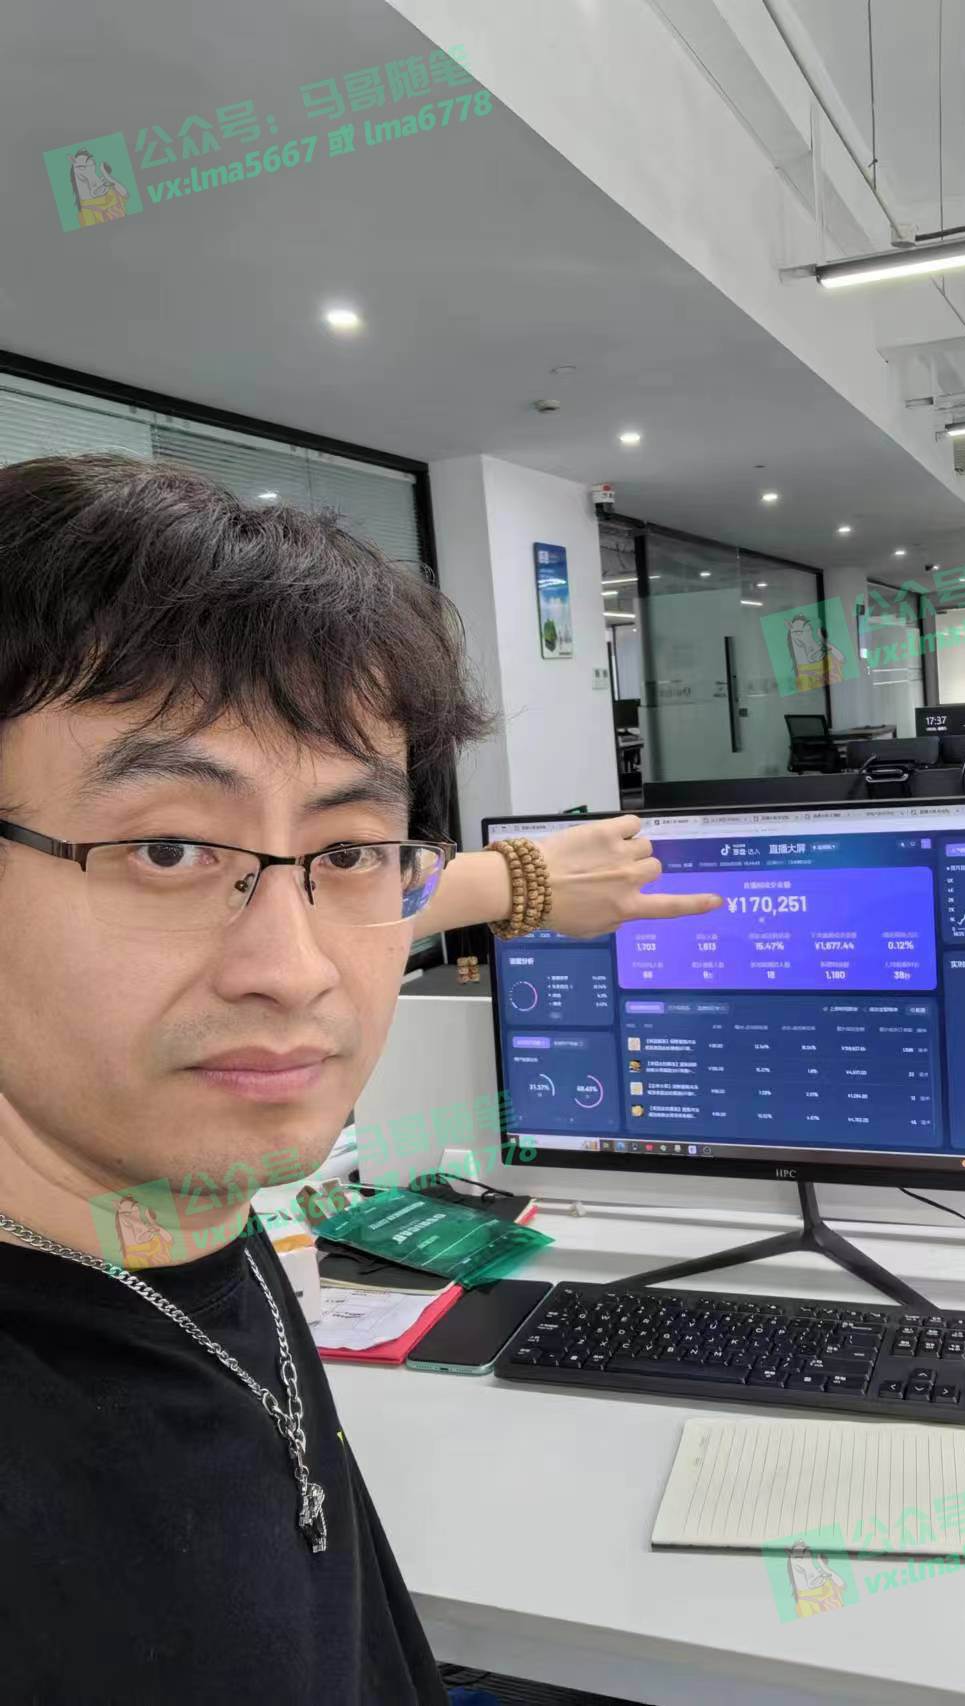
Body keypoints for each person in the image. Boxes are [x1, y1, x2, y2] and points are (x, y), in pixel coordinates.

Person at [0, 454, 722, 1703]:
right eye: (166, 847)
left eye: (346, 850)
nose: (294, 971)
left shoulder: (175, 1210)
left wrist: (517, 884)